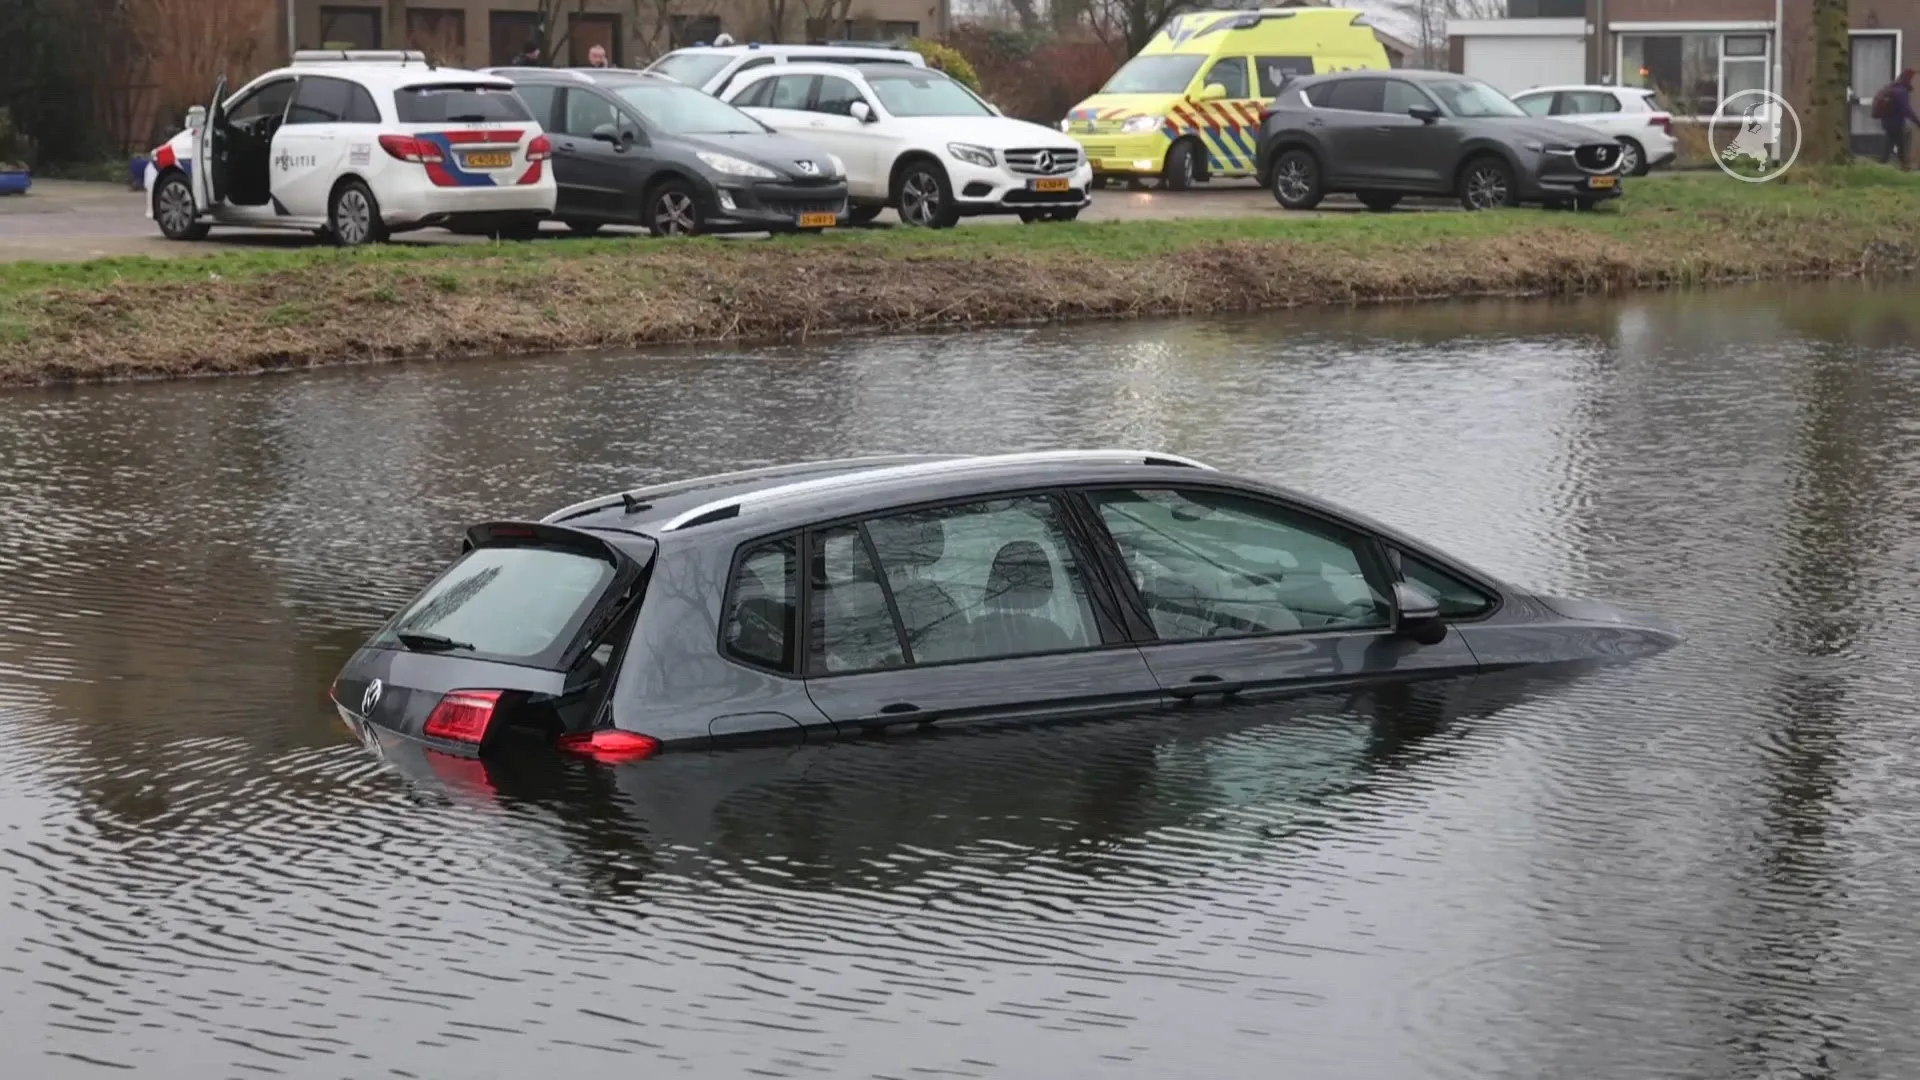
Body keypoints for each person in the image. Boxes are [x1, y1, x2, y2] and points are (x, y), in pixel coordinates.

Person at [1874, 69, 1920, 168]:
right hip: (1896, 122)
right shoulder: (1902, 91)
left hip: (1886, 121)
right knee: (1903, 143)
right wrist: (1917, 122)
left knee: (1891, 143)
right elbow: (1906, 110)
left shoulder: (1893, 87)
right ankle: (1904, 166)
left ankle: (1883, 162)